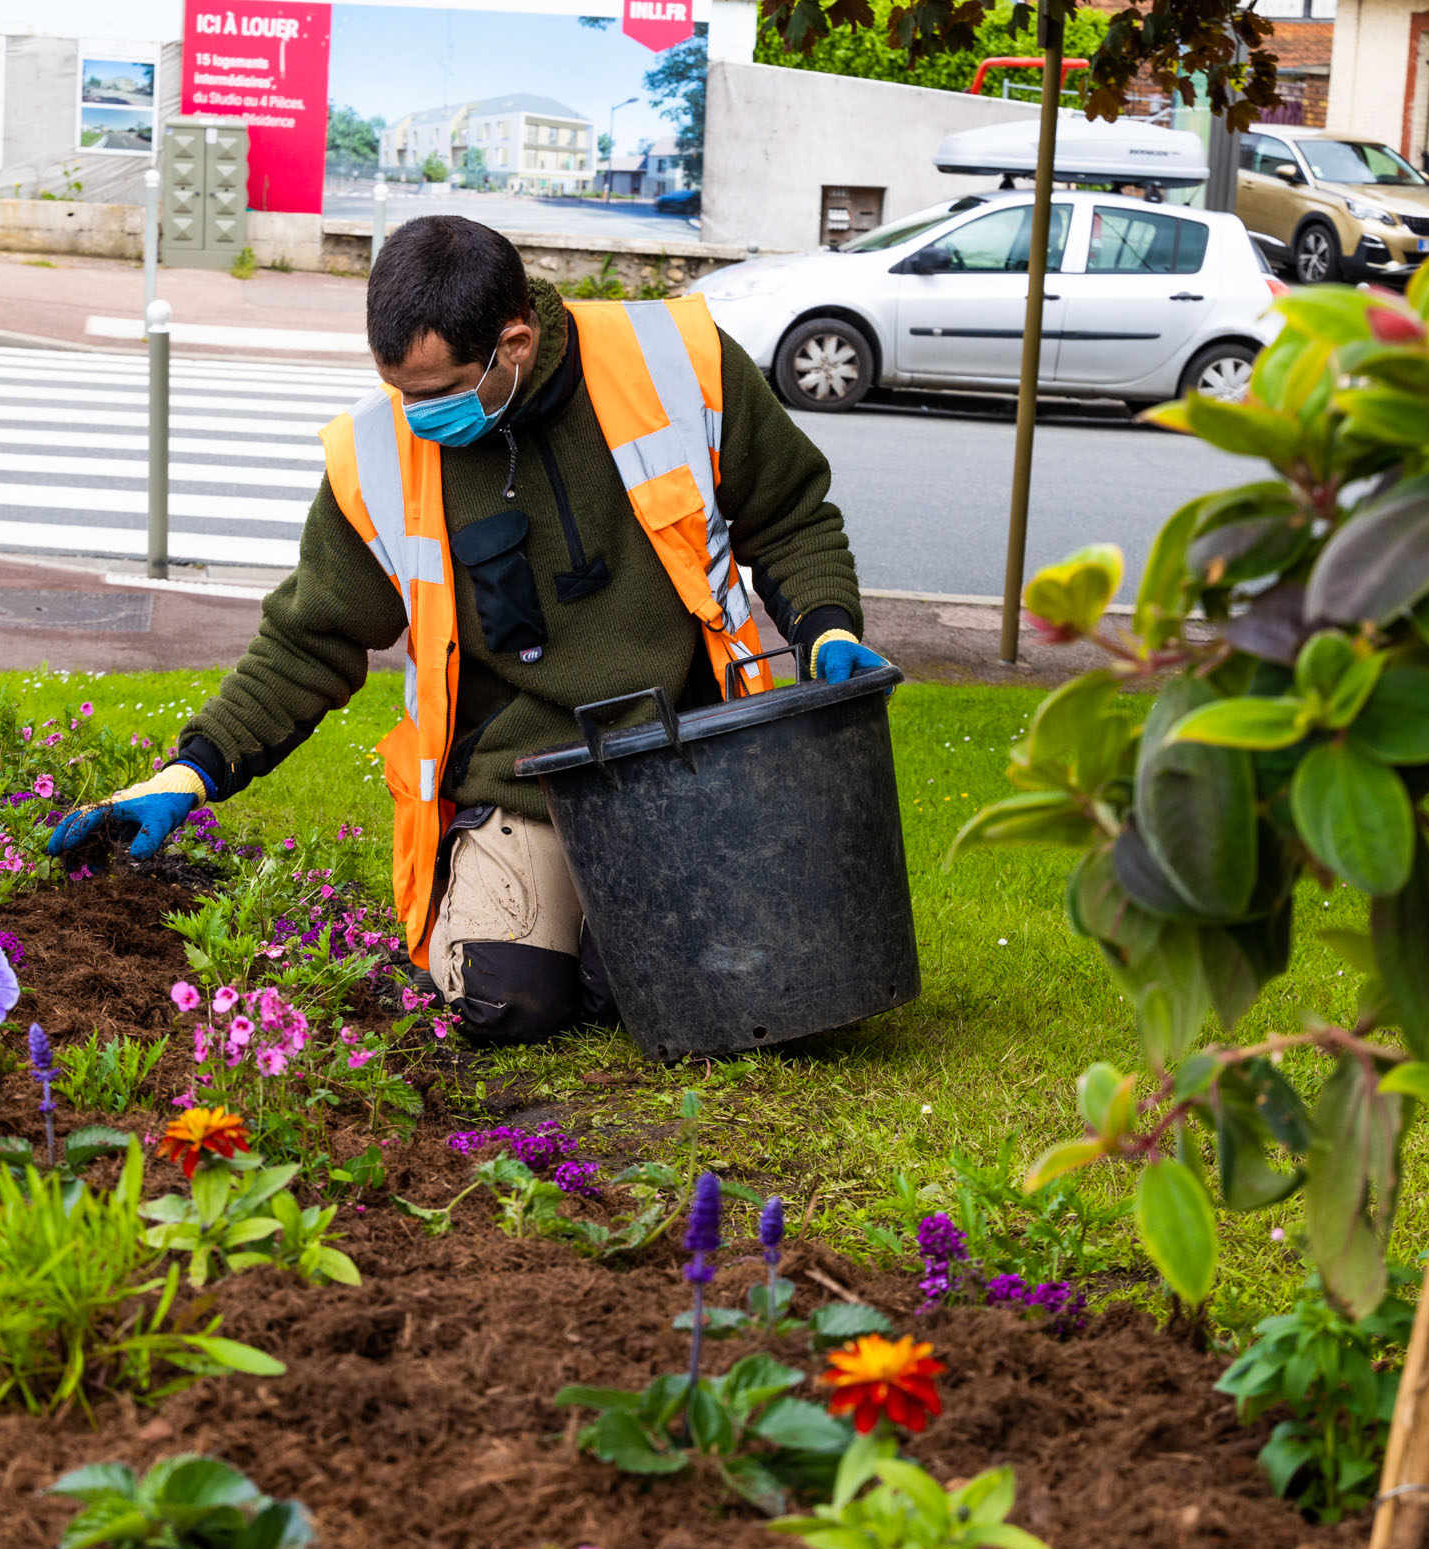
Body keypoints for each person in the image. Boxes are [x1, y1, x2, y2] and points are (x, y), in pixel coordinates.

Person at [51, 215, 887, 1042]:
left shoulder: (679, 359)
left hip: (688, 758)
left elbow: (790, 516)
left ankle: (612, 941)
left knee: (653, 984)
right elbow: (310, 638)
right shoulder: (379, 450)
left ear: (514, 342)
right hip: (525, 775)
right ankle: (510, 897)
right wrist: (191, 772)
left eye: (436, 391)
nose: (414, 415)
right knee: (510, 1001)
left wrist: (826, 629)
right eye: (398, 389)